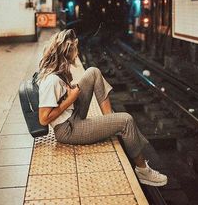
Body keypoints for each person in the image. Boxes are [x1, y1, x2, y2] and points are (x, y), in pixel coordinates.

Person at [37, 29, 167, 187]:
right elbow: (43, 119)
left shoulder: (59, 72)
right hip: (68, 130)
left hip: (72, 115)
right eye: (75, 50)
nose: (77, 53)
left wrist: (69, 93)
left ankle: (109, 121)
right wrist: (70, 98)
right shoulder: (51, 81)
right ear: (66, 52)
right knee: (126, 120)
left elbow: (60, 98)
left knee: (93, 72)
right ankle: (143, 171)